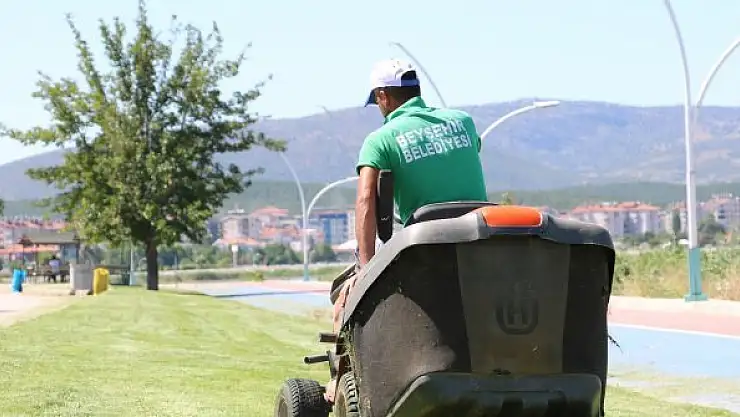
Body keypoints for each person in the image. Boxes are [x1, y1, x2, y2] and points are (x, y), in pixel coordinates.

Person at [325, 58, 489, 403]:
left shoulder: (380, 140)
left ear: (382, 96)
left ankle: (340, 387)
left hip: (426, 246)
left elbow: (366, 200)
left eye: (377, 102)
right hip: (479, 243)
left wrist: (364, 267)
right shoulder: (463, 122)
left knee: (343, 301)